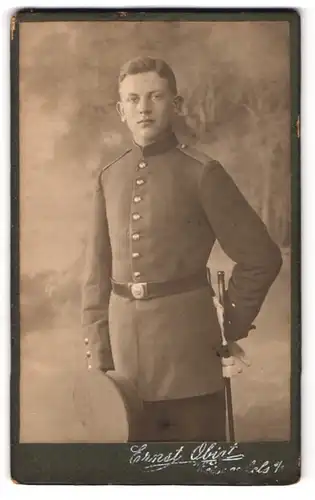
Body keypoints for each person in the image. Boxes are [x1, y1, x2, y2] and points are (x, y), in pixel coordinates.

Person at [81, 56, 282, 442]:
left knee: (194, 472)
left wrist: (230, 326)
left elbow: (261, 256)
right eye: (134, 99)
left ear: (176, 104)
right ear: (121, 110)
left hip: (189, 360)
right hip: (123, 365)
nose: (144, 107)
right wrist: (100, 357)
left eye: (155, 96)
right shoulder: (109, 177)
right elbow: (96, 277)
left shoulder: (202, 172)